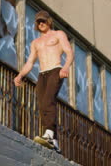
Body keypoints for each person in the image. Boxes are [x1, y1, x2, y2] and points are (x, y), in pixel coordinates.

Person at [13, 10, 74, 153]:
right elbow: (30, 62)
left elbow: (69, 52)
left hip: (55, 70)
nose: (41, 24)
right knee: (42, 105)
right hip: (42, 74)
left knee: (48, 100)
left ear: (49, 21)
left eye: (43, 21)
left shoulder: (58, 34)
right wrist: (20, 75)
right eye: (38, 22)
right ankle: (54, 140)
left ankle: (49, 134)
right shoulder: (36, 42)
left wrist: (65, 67)